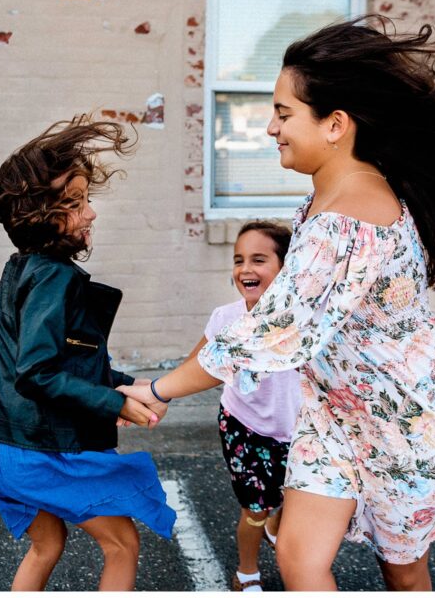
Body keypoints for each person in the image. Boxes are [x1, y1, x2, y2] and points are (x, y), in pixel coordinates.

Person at [118, 16, 435, 591]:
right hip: (333, 413)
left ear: (335, 124)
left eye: (284, 113)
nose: (271, 127)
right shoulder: (333, 194)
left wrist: (158, 389)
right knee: (298, 557)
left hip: (405, 417)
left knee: (404, 572)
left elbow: (269, 333)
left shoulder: (347, 216)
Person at [0, 115, 176, 591]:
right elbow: (36, 373)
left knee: (47, 543)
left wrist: (122, 385)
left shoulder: (22, 268)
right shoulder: (54, 277)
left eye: (87, 200)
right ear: (44, 215)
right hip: (29, 452)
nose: (91, 213)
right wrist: (115, 402)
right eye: (77, 203)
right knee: (121, 542)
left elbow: (63, 365)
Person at [185, 221, 301, 592]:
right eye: (239, 260)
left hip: (299, 431)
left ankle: (275, 524)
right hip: (244, 426)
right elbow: (197, 366)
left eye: (258, 259)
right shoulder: (226, 318)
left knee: (294, 503)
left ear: (285, 267)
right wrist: (154, 393)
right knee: (255, 509)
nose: (245, 269)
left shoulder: (304, 319)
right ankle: (247, 572)